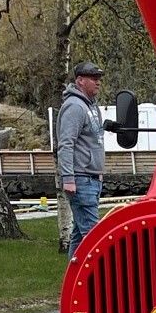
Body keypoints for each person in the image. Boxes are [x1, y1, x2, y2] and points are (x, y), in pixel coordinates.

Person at [55, 60, 105, 257]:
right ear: (80, 81)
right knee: (94, 236)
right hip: (81, 179)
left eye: (98, 78)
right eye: (93, 79)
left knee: (78, 235)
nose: (98, 82)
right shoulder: (75, 107)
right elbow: (66, 144)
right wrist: (68, 178)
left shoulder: (91, 107)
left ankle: (72, 282)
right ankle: (100, 281)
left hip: (91, 178)